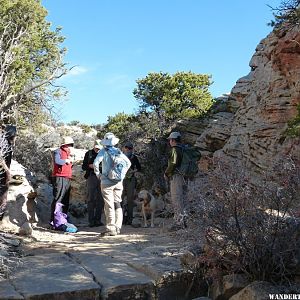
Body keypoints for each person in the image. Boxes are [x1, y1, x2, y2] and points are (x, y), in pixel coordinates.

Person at [93, 132, 130, 236]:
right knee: (117, 202)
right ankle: (118, 226)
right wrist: (122, 174)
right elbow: (128, 163)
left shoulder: (103, 151)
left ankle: (110, 228)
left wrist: (98, 175)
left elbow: (96, 163)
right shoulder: (118, 151)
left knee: (109, 204)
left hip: (106, 181)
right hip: (118, 181)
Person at [164, 131, 187, 231]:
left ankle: (178, 223)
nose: (169, 142)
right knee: (183, 199)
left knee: (176, 199)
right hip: (185, 177)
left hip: (176, 176)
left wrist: (166, 173)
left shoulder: (174, 150)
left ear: (173, 140)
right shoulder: (184, 149)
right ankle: (184, 221)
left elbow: (173, 163)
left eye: (170, 140)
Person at [50, 136, 74, 227]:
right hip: (60, 177)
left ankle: (63, 219)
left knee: (65, 200)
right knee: (58, 198)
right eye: (70, 145)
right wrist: (66, 161)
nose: (71, 147)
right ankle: (54, 221)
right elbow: (57, 161)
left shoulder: (69, 153)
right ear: (66, 145)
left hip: (67, 177)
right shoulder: (58, 151)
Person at [82, 139, 104, 227]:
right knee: (90, 199)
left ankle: (98, 220)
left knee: (100, 199)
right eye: (96, 148)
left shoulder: (104, 154)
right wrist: (89, 166)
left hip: (102, 177)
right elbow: (83, 166)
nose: (97, 150)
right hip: (91, 176)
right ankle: (91, 221)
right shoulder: (88, 154)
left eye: (99, 148)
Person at [122, 141, 141, 225]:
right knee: (120, 199)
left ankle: (130, 218)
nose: (128, 150)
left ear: (132, 149)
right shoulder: (121, 157)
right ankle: (120, 219)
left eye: (129, 148)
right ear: (124, 148)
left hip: (131, 179)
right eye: (126, 148)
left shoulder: (134, 157)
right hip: (121, 179)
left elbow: (139, 168)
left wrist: (133, 171)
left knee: (130, 199)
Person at [0, 125, 17, 220]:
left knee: (3, 197)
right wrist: (7, 171)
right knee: (3, 198)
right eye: (15, 134)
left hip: (4, 175)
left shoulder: (8, 144)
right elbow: (1, 158)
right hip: (2, 174)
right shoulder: (4, 143)